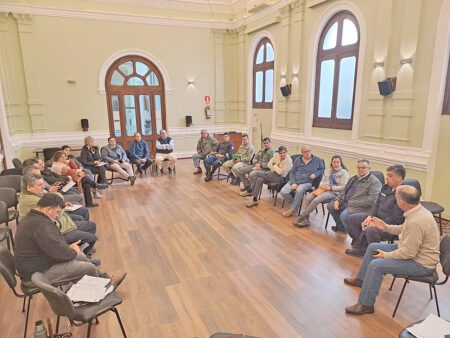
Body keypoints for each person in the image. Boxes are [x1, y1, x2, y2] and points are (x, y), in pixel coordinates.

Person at [344, 185, 440, 315]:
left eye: (396, 198)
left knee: (376, 265)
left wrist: (386, 255)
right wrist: (385, 227)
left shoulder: (416, 221)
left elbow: (408, 253)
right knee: (373, 247)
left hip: (421, 264)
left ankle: (366, 304)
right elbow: (403, 229)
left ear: (402, 202)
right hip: (412, 252)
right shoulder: (417, 211)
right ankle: (362, 280)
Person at [14, 193, 126, 288]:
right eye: (57, 212)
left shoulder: (33, 218)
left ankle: (105, 280)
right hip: (36, 274)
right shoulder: (42, 226)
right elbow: (59, 254)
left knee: (81, 256)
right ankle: (101, 290)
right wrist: (71, 250)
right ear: (48, 209)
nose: (57, 216)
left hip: (39, 264)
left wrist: (71, 249)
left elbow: (55, 246)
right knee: (87, 267)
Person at [18, 174, 99, 265]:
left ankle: (84, 251)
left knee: (88, 223)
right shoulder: (31, 199)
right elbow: (57, 200)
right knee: (92, 237)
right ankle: (84, 257)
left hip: (58, 223)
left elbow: (55, 205)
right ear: (29, 187)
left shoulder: (33, 194)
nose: (43, 187)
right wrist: (50, 192)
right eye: (40, 185)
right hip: (60, 230)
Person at [345, 164, 406, 256]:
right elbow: (377, 204)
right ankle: (362, 247)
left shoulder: (403, 194)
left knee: (371, 230)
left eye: (390, 176)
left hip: (390, 226)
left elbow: (396, 219)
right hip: (377, 217)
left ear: (399, 178)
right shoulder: (385, 188)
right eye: (387, 175)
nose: (387, 178)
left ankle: (373, 253)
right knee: (353, 218)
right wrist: (370, 216)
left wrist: (376, 223)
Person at [327, 159, 382, 233]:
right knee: (330, 206)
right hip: (346, 201)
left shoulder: (374, 182)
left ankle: (355, 237)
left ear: (369, 168)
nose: (360, 169)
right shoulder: (354, 178)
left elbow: (371, 201)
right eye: (358, 167)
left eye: (363, 167)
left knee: (344, 215)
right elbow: (344, 190)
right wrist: (337, 199)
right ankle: (342, 228)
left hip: (359, 206)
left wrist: (350, 203)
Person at [294, 155, 349, 228]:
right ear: (331, 163)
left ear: (340, 163)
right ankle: (306, 220)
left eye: (337, 162)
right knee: (308, 198)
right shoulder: (329, 171)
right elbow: (321, 182)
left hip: (334, 193)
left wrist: (330, 187)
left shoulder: (344, 172)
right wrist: (322, 185)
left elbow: (344, 187)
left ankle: (302, 216)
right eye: (334, 162)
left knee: (316, 200)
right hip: (323, 190)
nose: (335, 164)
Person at [280, 145, 324, 217]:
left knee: (299, 190)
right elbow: (292, 172)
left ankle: (293, 209)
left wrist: (315, 174)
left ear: (311, 150)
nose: (307, 153)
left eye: (309, 151)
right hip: (295, 180)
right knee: (283, 192)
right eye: (305, 152)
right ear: (302, 153)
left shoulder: (318, 160)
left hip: (307, 182)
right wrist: (293, 182)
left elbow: (321, 169)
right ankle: (295, 203)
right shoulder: (297, 160)